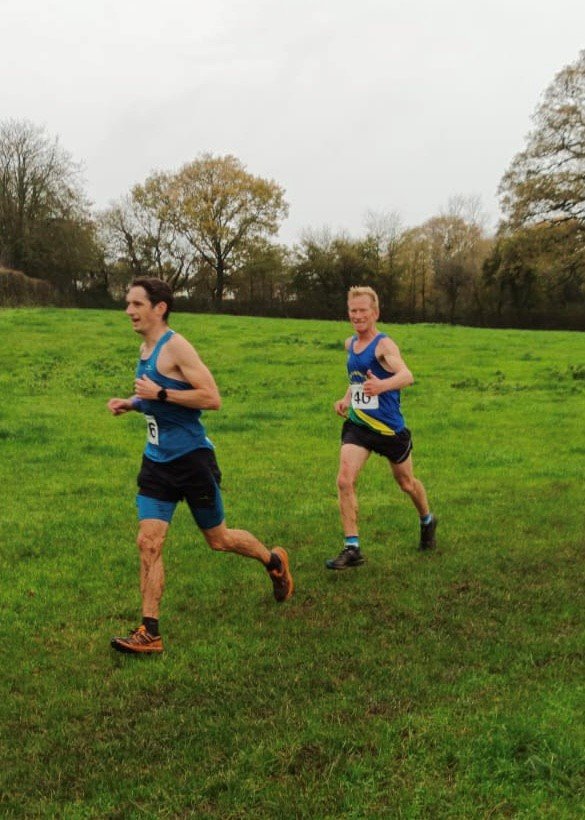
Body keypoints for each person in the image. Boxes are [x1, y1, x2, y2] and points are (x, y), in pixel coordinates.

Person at [108, 277, 293, 654]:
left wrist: (158, 392)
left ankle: (272, 560)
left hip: (192, 461)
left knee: (219, 540)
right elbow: (156, 399)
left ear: (159, 308)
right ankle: (150, 631)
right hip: (156, 462)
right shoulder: (145, 349)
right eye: (128, 304)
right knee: (148, 542)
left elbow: (211, 398)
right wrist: (133, 403)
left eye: (137, 304)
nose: (129, 310)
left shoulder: (175, 346)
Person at [326, 285, 437, 570]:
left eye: (363, 310)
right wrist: (347, 398)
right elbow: (358, 379)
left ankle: (427, 519)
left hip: (390, 430)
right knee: (344, 480)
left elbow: (407, 376)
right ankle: (352, 548)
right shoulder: (350, 344)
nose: (358, 315)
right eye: (353, 310)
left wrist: (382, 385)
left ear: (375, 313)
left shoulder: (384, 346)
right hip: (359, 425)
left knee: (406, 483)